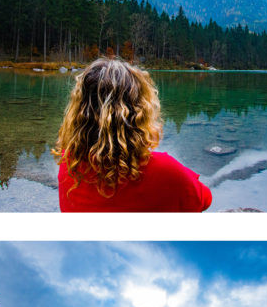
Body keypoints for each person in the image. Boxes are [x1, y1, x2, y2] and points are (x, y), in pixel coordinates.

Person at [53, 57, 211, 212]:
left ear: (79, 111)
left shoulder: (69, 165)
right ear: (140, 110)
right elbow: (204, 200)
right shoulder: (164, 170)